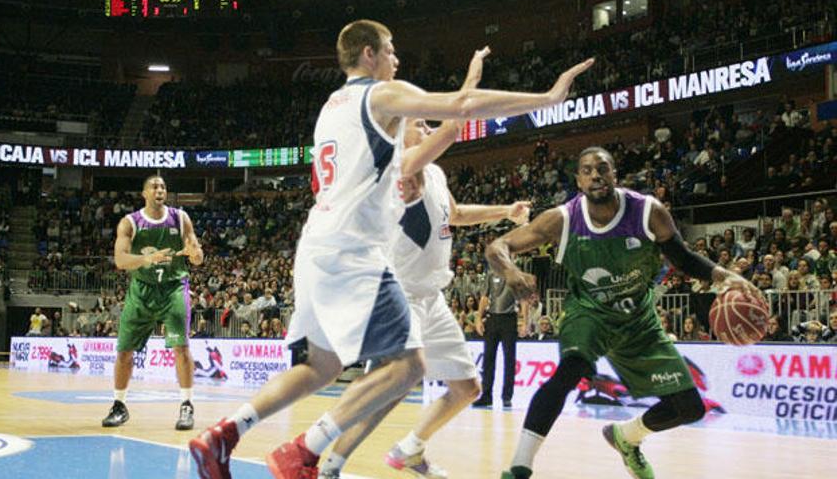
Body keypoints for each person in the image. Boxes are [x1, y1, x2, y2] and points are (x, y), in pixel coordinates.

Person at [189, 18, 593, 479]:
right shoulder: (379, 95)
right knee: (407, 367)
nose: (397, 58)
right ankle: (305, 452)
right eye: (391, 49)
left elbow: (444, 158)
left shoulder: (330, 107)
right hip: (353, 249)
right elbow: (460, 108)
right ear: (368, 54)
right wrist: (547, 98)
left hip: (315, 244)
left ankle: (223, 434)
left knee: (319, 366)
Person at [487, 147, 761, 479]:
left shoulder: (648, 212)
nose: (595, 175)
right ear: (578, 181)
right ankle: (520, 466)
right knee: (571, 370)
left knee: (690, 408)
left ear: (615, 174)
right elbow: (497, 246)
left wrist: (724, 275)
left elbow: (682, 257)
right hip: (588, 313)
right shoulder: (563, 219)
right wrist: (512, 272)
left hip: (638, 321)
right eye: (587, 170)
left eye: (602, 168)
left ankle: (626, 437)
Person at [319, 114, 531, 477]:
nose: (429, 130)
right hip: (398, 298)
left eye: (432, 127)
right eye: (422, 125)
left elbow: (457, 213)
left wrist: (505, 212)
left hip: (432, 297)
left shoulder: (435, 173)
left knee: (467, 388)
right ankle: (329, 466)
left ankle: (409, 449)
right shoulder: (391, 173)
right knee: (386, 391)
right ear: (400, 135)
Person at [101, 175, 204, 431]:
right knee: (124, 350)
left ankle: (186, 405)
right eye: (154, 187)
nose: (159, 190)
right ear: (144, 193)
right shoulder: (130, 223)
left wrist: (195, 254)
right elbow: (121, 261)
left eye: (163, 187)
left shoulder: (180, 218)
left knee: (181, 347)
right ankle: (119, 405)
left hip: (173, 289)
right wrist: (149, 259)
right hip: (142, 291)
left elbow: (198, 257)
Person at [473, 269, 527, 408]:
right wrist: (479, 318)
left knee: (509, 359)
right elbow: (485, 297)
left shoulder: (516, 275)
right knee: (488, 358)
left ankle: (507, 396)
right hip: (492, 318)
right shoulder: (491, 273)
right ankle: (486, 396)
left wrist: (524, 321)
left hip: (509, 319)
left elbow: (523, 300)